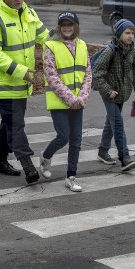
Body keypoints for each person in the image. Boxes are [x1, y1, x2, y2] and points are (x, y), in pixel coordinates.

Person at [0, 0, 50, 184]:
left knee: (9, 123)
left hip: (22, 83)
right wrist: (22, 72)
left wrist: (67, 44)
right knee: (16, 125)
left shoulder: (28, 13)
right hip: (6, 84)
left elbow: (44, 36)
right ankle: (27, 164)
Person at [38, 11, 92, 192]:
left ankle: (71, 176)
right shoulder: (50, 46)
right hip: (60, 102)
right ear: (59, 27)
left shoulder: (83, 45)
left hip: (78, 102)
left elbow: (88, 74)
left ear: (76, 26)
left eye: (70, 24)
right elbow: (51, 76)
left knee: (76, 139)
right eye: (63, 24)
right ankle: (45, 157)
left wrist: (82, 97)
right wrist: (70, 98)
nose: (67, 27)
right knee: (63, 136)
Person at [92, 19, 135, 171]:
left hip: (122, 94)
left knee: (111, 121)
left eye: (132, 33)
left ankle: (103, 151)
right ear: (118, 34)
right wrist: (108, 91)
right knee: (117, 123)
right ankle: (125, 157)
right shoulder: (110, 50)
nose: (130, 36)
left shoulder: (132, 52)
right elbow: (96, 73)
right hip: (109, 93)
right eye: (127, 33)